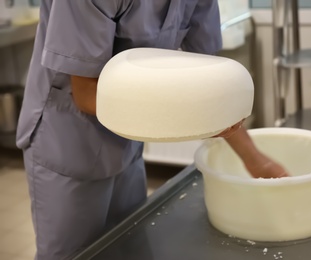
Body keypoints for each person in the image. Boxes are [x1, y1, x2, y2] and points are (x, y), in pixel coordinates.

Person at [16, 0, 288, 259]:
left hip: (126, 141)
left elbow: (210, 88)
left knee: (126, 246)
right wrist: (188, 115)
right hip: (67, 142)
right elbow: (86, 93)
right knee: (76, 254)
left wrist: (254, 159)